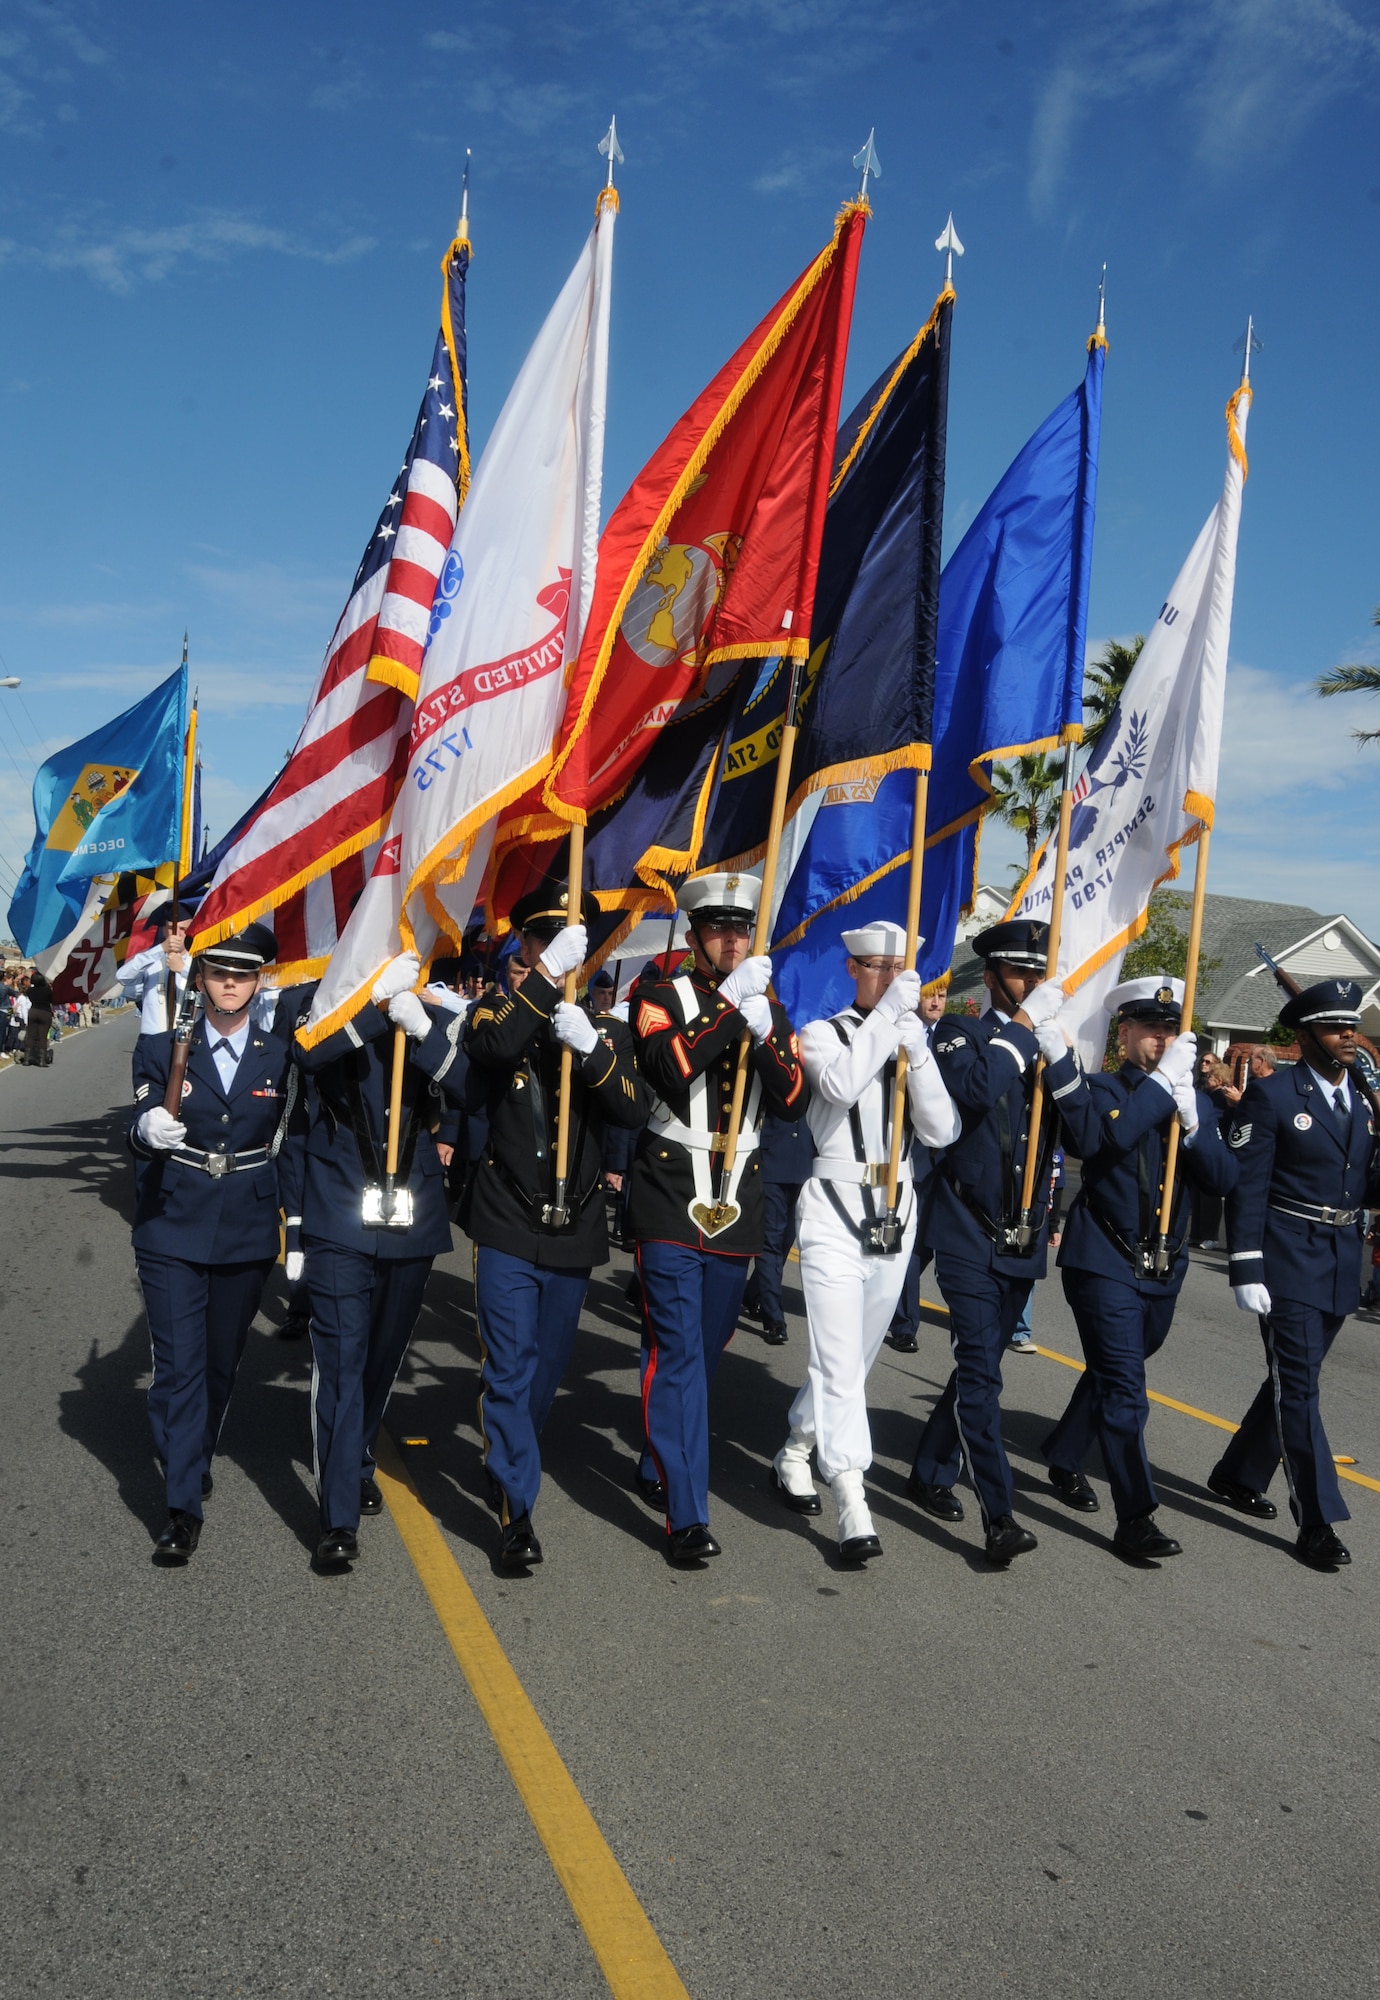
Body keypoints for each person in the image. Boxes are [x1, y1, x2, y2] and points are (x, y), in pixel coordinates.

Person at [461, 890, 653, 1569]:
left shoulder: (608, 1031)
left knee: (541, 1374)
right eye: (541, 941)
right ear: (528, 948)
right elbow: (490, 1045)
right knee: (511, 1369)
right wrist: (542, 987)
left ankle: (511, 1452)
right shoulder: (496, 1012)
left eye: (566, 943)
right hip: (507, 1218)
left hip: (573, 1229)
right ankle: (518, 1514)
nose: (553, 953)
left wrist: (592, 1051)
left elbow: (634, 1110)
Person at [627, 871, 806, 1563]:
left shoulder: (769, 1003)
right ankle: (687, 1514)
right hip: (670, 1193)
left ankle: (657, 1457)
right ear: (696, 935)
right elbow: (667, 1068)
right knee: (674, 1354)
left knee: (700, 1353)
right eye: (718, 928)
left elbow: (791, 1101)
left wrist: (761, 1032)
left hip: (738, 1200)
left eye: (740, 928)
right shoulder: (657, 993)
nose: (731, 939)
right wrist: (727, 1010)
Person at [771, 922, 960, 1559]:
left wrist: (922, 1051)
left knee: (855, 1356)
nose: (887, 976)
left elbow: (940, 1131)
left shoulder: (909, 1039)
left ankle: (797, 1446)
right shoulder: (822, 1034)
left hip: (895, 1208)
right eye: (876, 967)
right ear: (853, 970)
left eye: (897, 967)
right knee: (834, 1354)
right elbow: (838, 1086)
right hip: (832, 1206)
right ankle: (853, 1495)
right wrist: (887, 1023)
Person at [1039, 977, 1238, 1559]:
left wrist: (1196, 1125)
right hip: (1103, 1259)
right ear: (1124, 1033)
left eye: (1171, 1030)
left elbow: (1225, 1180)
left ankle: (1064, 1452)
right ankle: (1137, 1517)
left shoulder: (1189, 1098)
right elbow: (1106, 1141)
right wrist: (1161, 1084)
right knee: (1127, 1389)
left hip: (1162, 1267)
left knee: (1112, 1370)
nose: (1162, 1038)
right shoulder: (1103, 1089)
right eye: (1151, 1028)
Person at [289, 950, 471, 1569]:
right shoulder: (325, 997)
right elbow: (307, 1054)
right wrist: (371, 1009)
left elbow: (470, 1086)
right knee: (341, 1356)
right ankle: (337, 1513)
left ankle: (358, 1451)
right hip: (340, 1196)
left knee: (384, 1351)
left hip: (412, 1202)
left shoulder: (439, 1008)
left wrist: (419, 1025)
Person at [127, 923, 297, 1562]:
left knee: (221, 1364)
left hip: (248, 1226)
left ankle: (190, 1449)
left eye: (242, 974)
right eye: (218, 972)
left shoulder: (279, 1052)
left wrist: (299, 1228)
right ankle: (181, 1505)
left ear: (258, 982)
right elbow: (139, 1111)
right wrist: (147, 1126)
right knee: (178, 1367)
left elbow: (291, 1138)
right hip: (173, 1219)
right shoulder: (167, 1040)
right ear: (199, 978)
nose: (229, 983)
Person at [905, 920, 1065, 1564]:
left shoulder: (1044, 1041)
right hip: (966, 1228)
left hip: (1022, 1235)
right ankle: (999, 1515)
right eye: (1022, 973)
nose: (1032, 984)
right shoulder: (958, 1032)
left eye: (1039, 973)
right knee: (981, 1372)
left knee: (982, 1368)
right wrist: (1023, 1031)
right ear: (994, 975)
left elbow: (1077, 1136)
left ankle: (928, 1468)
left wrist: (1067, 1061)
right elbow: (972, 1091)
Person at [1212, 978, 1380, 1570]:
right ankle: (1318, 1519)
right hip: (1285, 1258)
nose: (1349, 1037)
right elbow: (1248, 1184)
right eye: (1336, 1028)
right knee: (1300, 1388)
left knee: (1292, 1376)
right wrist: (1245, 1265)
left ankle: (1237, 1474)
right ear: (1304, 1036)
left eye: (1352, 1026)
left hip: (1338, 1259)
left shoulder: (1360, 1098)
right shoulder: (1275, 1096)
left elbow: (1363, 1184)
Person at [886, 983, 950, 1353]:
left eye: (942, 995)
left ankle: (888, 1296)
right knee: (908, 1244)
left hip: (947, 1160)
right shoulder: (900, 1034)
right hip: (913, 1156)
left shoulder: (955, 1037)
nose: (937, 1001)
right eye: (931, 994)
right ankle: (904, 1324)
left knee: (924, 1246)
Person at [741, 1108, 813, 1345]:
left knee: (786, 1240)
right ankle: (774, 1318)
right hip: (772, 1158)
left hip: (805, 1161)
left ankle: (753, 1294)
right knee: (770, 1241)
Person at [20, 969, 54, 1066]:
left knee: (31, 1035)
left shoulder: (30, 990)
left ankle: (27, 1058)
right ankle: (41, 1060)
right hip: (45, 1011)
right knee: (42, 1036)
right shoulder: (47, 990)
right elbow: (52, 999)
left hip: (33, 1010)